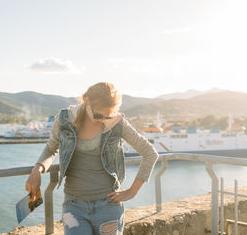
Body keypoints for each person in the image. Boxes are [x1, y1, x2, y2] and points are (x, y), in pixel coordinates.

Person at [25, 82, 159, 235]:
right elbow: (51, 149)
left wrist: (132, 192)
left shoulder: (116, 123)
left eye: (107, 115)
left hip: (108, 207)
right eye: (98, 115)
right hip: (74, 207)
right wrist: (37, 169)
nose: (102, 120)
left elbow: (150, 153)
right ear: (86, 101)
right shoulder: (65, 120)